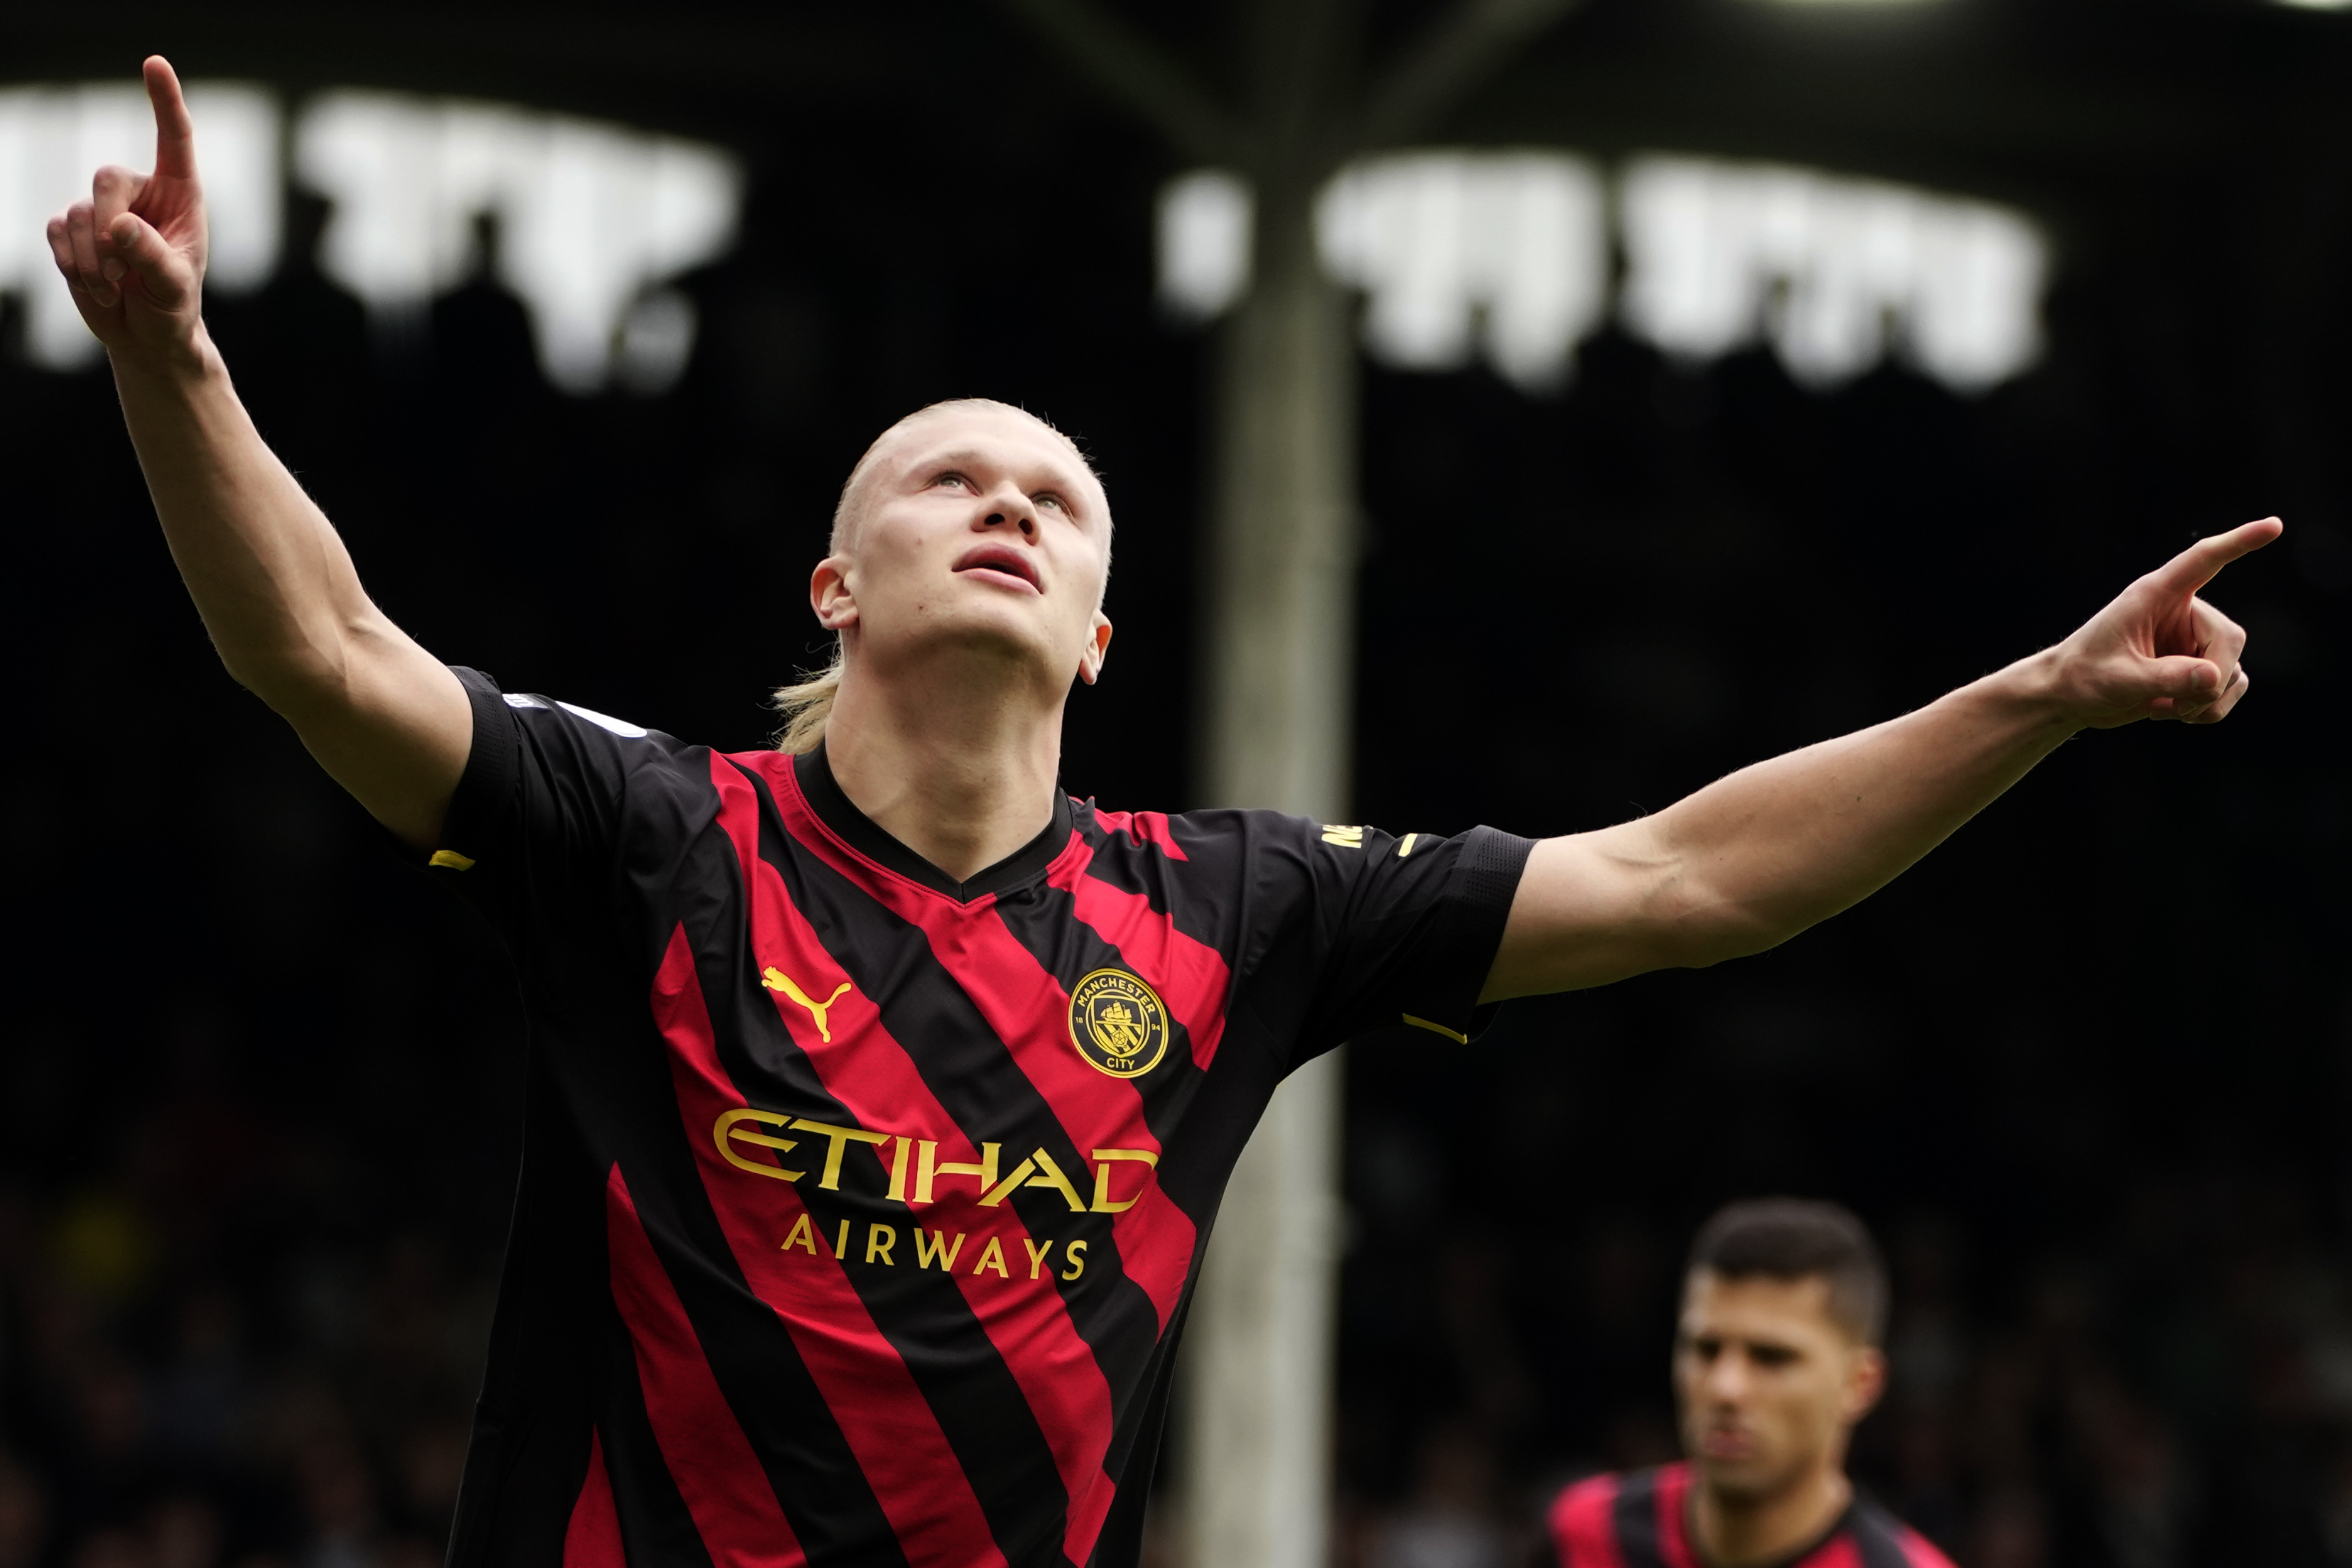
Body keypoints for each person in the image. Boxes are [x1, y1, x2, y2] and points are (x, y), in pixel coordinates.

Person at [48, 57, 2270, 1568]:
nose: (1006, 504)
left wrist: (2034, 698)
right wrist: (170, 355)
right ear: (834, 583)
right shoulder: (649, 836)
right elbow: (320, 650)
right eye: (948, 478)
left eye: (1056, 497)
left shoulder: (1227, 912)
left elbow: (1685, 877)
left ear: (1100, 632)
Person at [1537, 1200, 1951, 1568]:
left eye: (1772, 1358)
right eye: (1706, 1350)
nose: (1726, 1388)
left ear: (1860, 1385)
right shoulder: (1586, 1534)